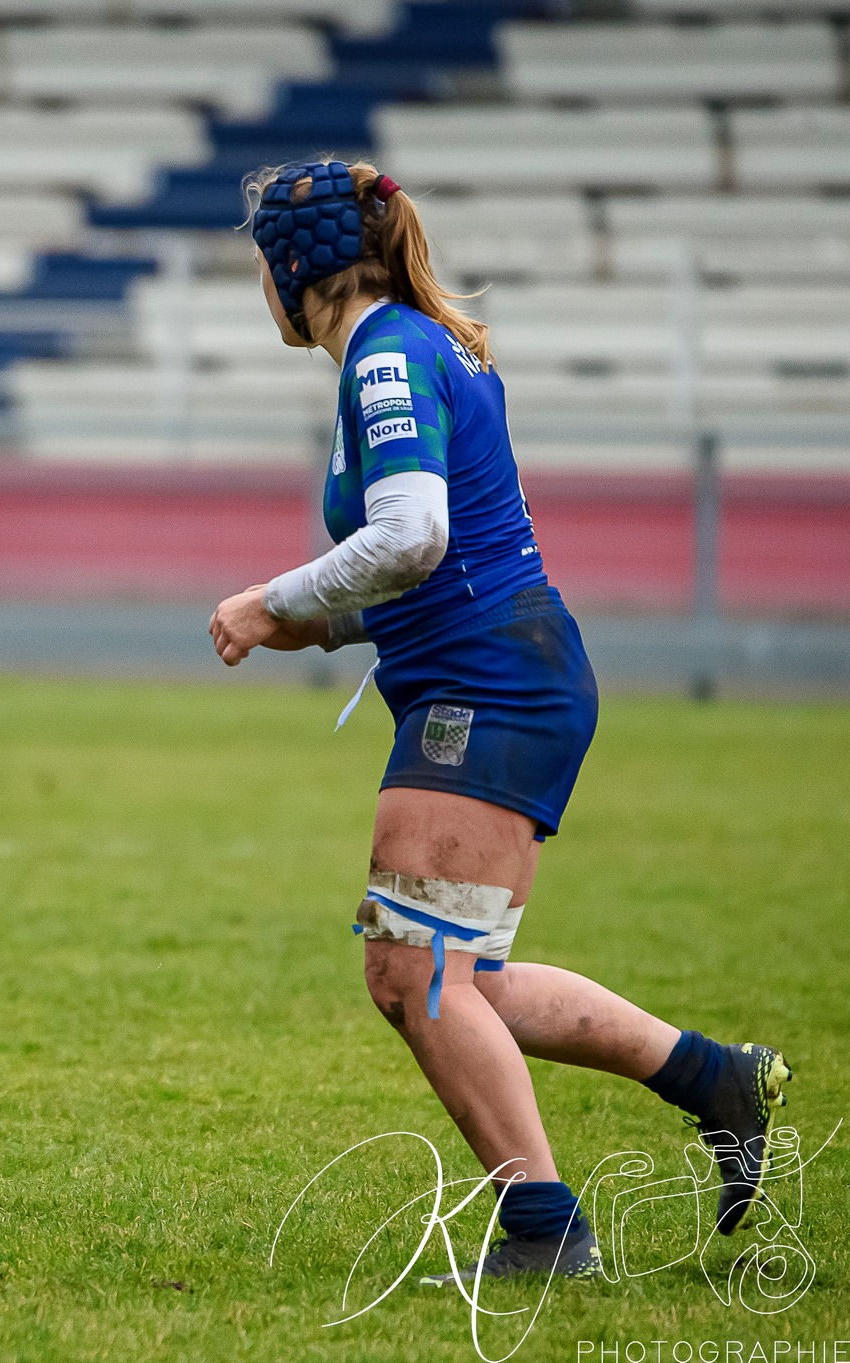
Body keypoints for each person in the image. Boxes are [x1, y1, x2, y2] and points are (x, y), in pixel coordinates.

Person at [208, 159, 791, 1282]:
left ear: (294, 269)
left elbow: (417, 535)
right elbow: (450, 549)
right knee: (455, 976)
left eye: (258, 266)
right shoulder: (418, 344)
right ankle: (712, 1076)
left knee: (411, 972)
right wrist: (324, 632)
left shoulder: (383, 352)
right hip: (495, 669)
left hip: (489, 685)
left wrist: (272, 601)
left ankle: (542, 1230)